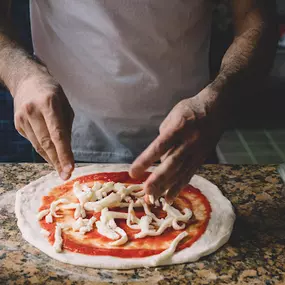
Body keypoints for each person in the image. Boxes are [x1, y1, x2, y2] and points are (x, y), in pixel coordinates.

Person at [0, 1, 277, 204]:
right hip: (63, 139)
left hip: (186, 140)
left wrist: (220, 96)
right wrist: (21, 75)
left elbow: (256, 16)